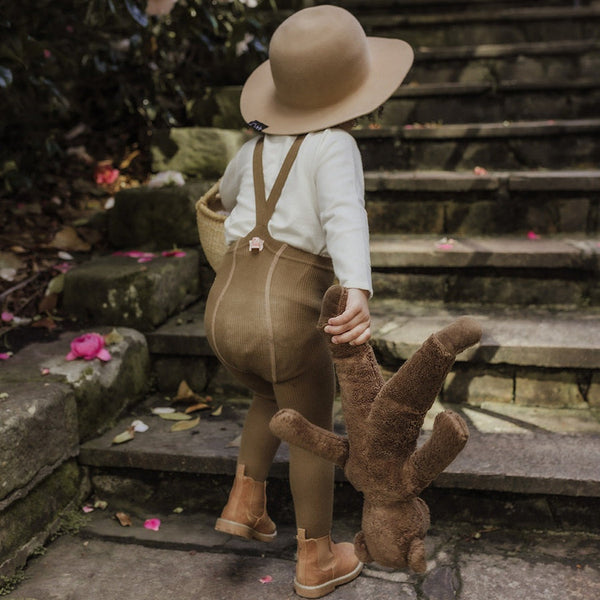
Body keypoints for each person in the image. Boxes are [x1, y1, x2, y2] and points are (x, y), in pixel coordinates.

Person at [204, 5, 413, 598]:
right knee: (311, 428)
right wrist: (357, 290)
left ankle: (245, 501)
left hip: (227, 310)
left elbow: (225, 201)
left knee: (266, 394)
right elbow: (346, 219)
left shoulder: (252, 150)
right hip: (287, 312)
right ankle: (316, 557)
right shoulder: (334, 146)